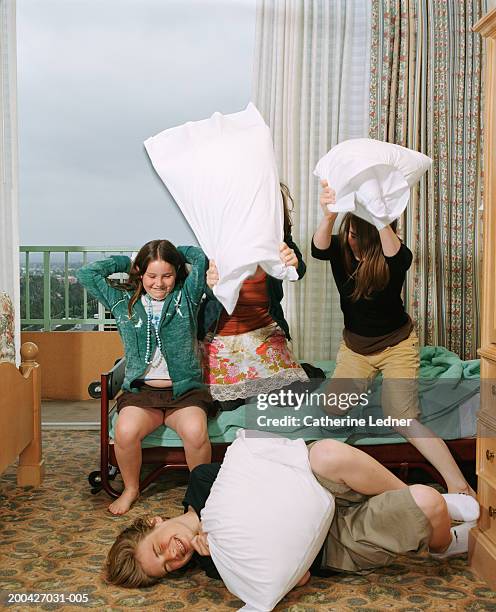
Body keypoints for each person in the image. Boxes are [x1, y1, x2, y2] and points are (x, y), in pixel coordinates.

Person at [104, 437, 479, 588]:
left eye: (158, 549)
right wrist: (221, 550)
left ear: (153, 522)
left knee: (325, 453)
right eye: (168, 567)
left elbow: (266, 466)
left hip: (319, 491)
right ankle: (441, 542)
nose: (174, 555)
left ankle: (438, 505)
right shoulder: (214, 564)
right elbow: (296, 580)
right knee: (427, 503)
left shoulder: (202, 480)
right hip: (333, 543)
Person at [311, 180, 475, 496]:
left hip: (396, 346)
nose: (350, 239)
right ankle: (367, 387)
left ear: (373, 236)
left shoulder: (393, 258)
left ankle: (460, 485)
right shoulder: (341, 252)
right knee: (333, 409)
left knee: (403, 419)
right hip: (355, 350)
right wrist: (329, 215)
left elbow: (399, 257)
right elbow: (318, 247)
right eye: (349, 232)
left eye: (358, 235)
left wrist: (380, 216)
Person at [77, 240, 216, 515]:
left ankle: (199, 501)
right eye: (152, 275)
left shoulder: (186, 296)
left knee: (196, 433)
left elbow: (199, 258)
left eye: (167, 275)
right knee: (125, 433)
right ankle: (131, 488)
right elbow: (87, 275)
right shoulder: (121, 300)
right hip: (142, 394)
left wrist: (174, 251)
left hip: (184, 392)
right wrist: (126, 263)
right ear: (141, 273)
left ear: (177, 273)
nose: (159, 283)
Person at [199, 183, 310, 407]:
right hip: (223, 338)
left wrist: (293, 262)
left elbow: (298, 270)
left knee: (289, 399)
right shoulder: (217, 245)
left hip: (264, 334)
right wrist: (210, 284)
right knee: (227, 404)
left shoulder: (280, 245)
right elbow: (205, 290)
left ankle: (303, 372)